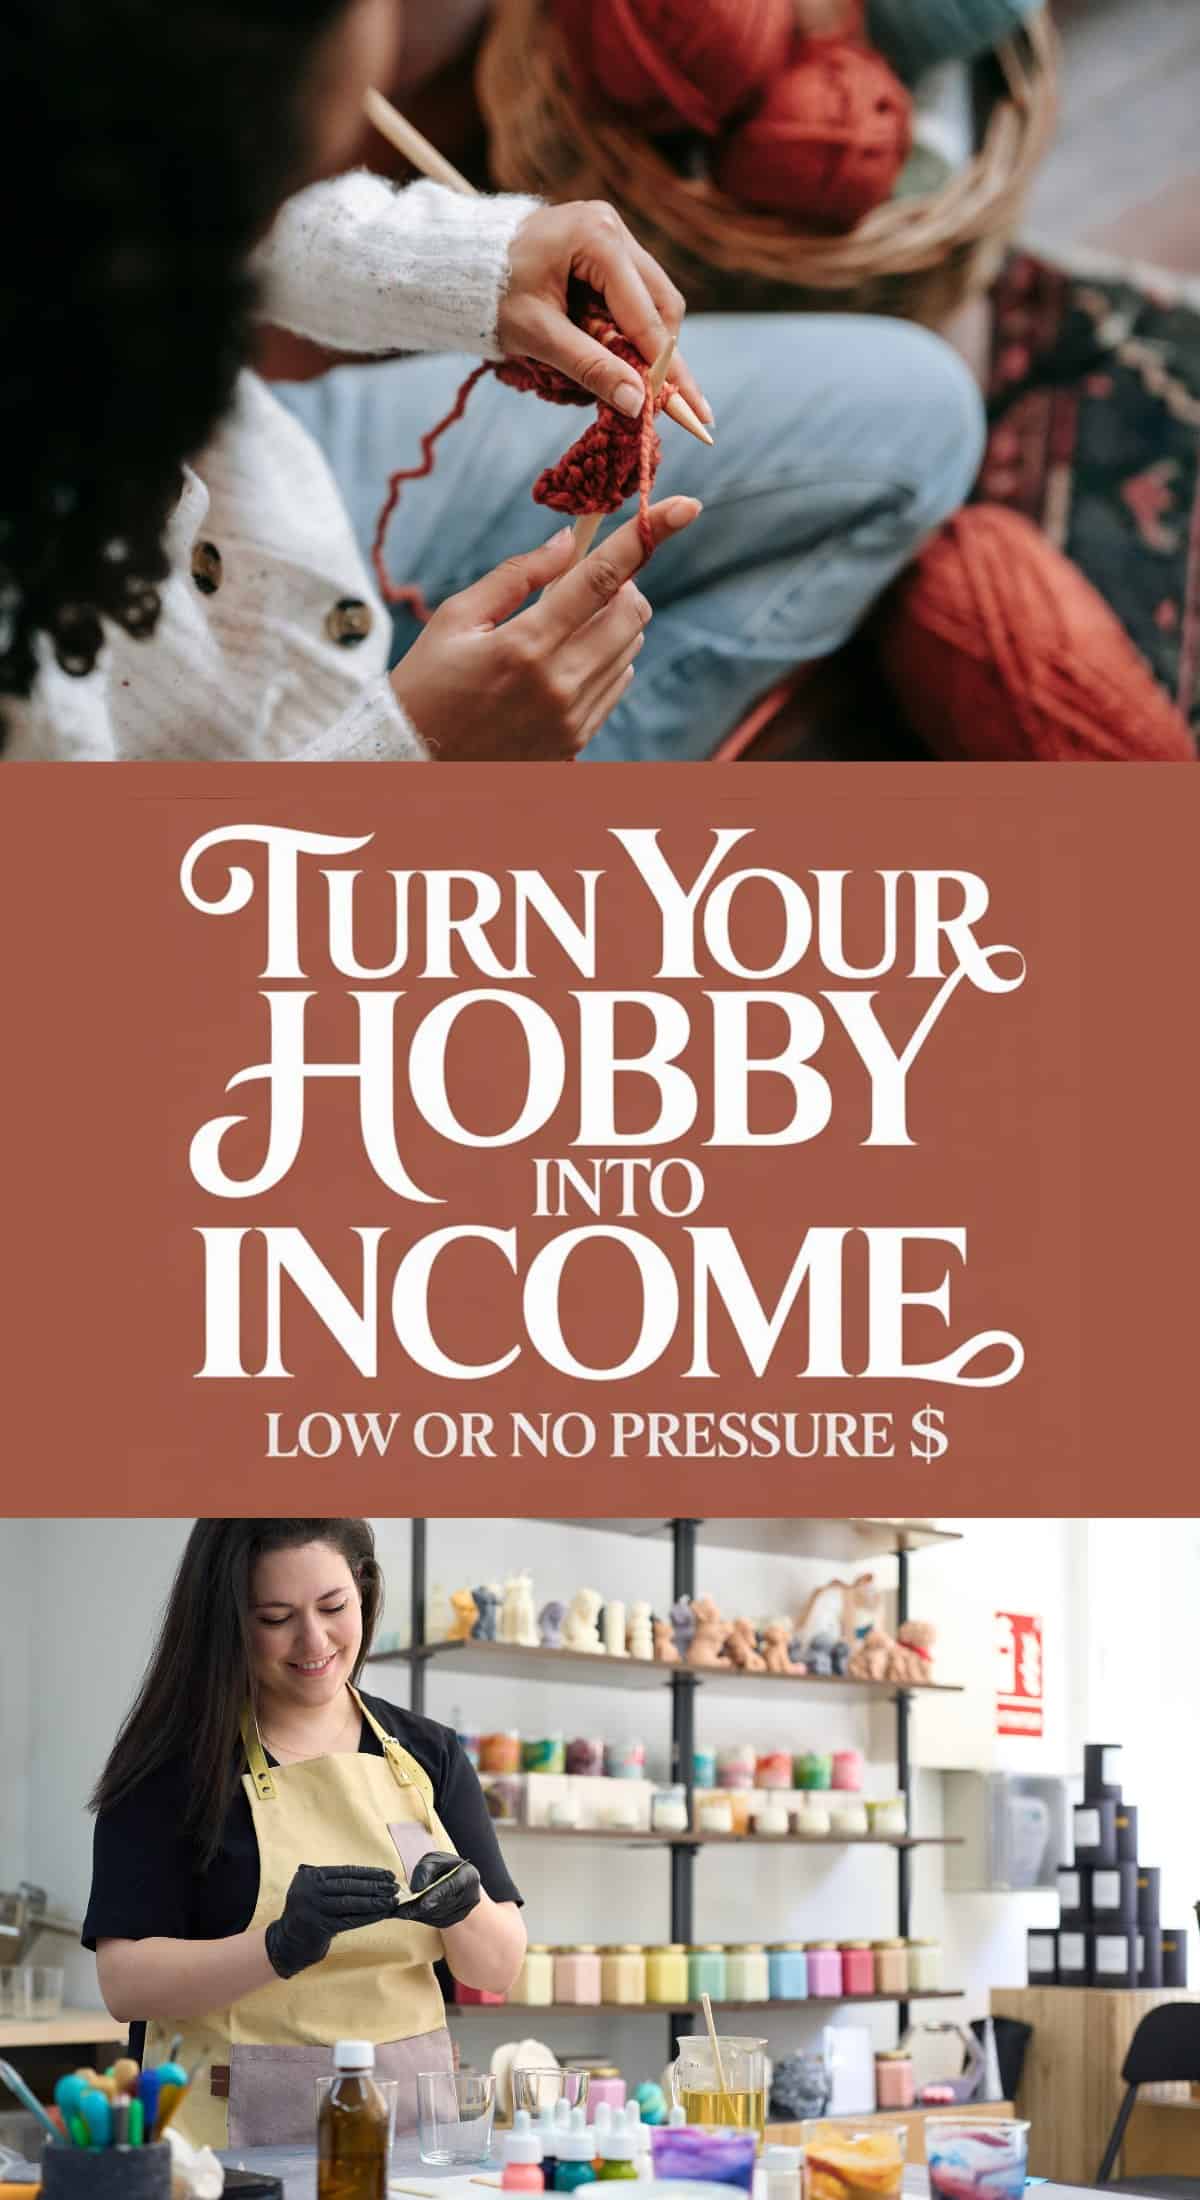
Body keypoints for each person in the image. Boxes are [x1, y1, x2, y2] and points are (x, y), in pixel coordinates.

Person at [3, 0, 984, 763]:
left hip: (272, 515)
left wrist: (476, 266)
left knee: (920, 417)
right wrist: (418, 758)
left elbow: (170, 191)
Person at [83, 1519, 525, 2147]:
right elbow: (124, 1985)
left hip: (411, 2144)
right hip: (229, 2155)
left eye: (333, 1606)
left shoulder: (429, 1754)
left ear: (363, 1590)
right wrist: (278, 1946)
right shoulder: (172, 1770)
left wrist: (465, 1906)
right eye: (274, 1617)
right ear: (227, 1621)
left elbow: (498, 1967)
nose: (313, 1639)